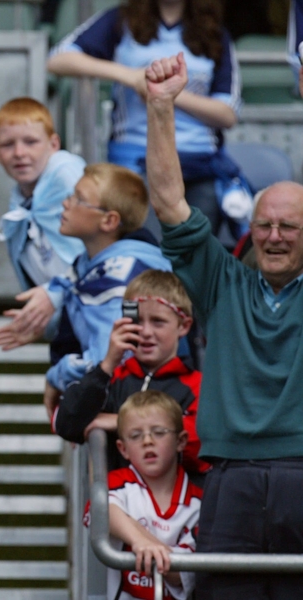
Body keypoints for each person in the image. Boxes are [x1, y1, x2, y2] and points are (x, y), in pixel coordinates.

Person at [146, 51, 303, 599]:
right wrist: (161, 107)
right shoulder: (222, 283)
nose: (275, 236)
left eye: (289, 226)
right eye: (265, 225)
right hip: (231, 478)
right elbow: (168, 201)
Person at [47, 0, 246, 242]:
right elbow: (58, 58)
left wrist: (166, 92)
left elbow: (227, 113)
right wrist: (131, 77)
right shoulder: (122, 20)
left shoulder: (214, 32)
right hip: (136, 163)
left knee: (194, 257)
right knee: (146, 251)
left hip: (199, 165)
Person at [0, 164, 172, 417]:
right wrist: (52, 295)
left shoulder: (114, 283)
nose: (65, 204)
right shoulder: (98, 261)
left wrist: (57, 375)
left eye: (78, 199)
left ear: (109, 221)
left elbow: (106, 363)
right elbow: (73, 279)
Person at [54, 269, 208, 481]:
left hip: (178, 511)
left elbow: (201, 444)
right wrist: (107, 363)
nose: (145, 331)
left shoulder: (199, 385)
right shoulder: (112, 379)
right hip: (117, 509)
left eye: (158, 321)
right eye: (137, 321)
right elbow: (66, 424)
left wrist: (121, 422)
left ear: (184, 326)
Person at [0, 97, 86, 364]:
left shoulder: (72, 181)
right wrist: (39, 322)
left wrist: (55, 294)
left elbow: (103, 253)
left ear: (53, 145)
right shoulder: (17, 208)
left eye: (31, 142)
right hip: (68, 337)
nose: (20, 153)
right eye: (8, 144)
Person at [93, 390, 202, 600]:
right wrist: (139, 541)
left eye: (159, 432)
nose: (147, 441)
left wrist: (148, 545)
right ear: (122, 449)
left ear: (181, 441)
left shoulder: (199, 502)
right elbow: (102, 511)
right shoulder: (118, 482)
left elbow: (181, 574)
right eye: (136, 436)